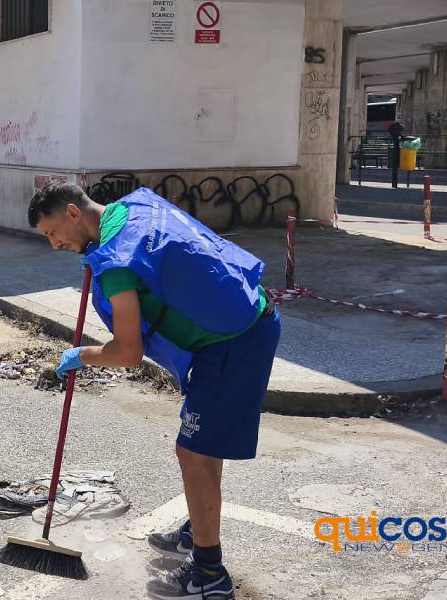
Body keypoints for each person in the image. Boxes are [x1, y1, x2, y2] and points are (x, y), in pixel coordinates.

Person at [28, 184, 281, 600]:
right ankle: (198, 529)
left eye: (52, 232)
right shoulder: (132, 206)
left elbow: (128, 352)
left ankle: (209, 574)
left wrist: (83, 355)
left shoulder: (115, 264)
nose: (55, 244)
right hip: (243, 315)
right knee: (202, 444)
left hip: (236, 340)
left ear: (73, 213)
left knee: (193, 451)